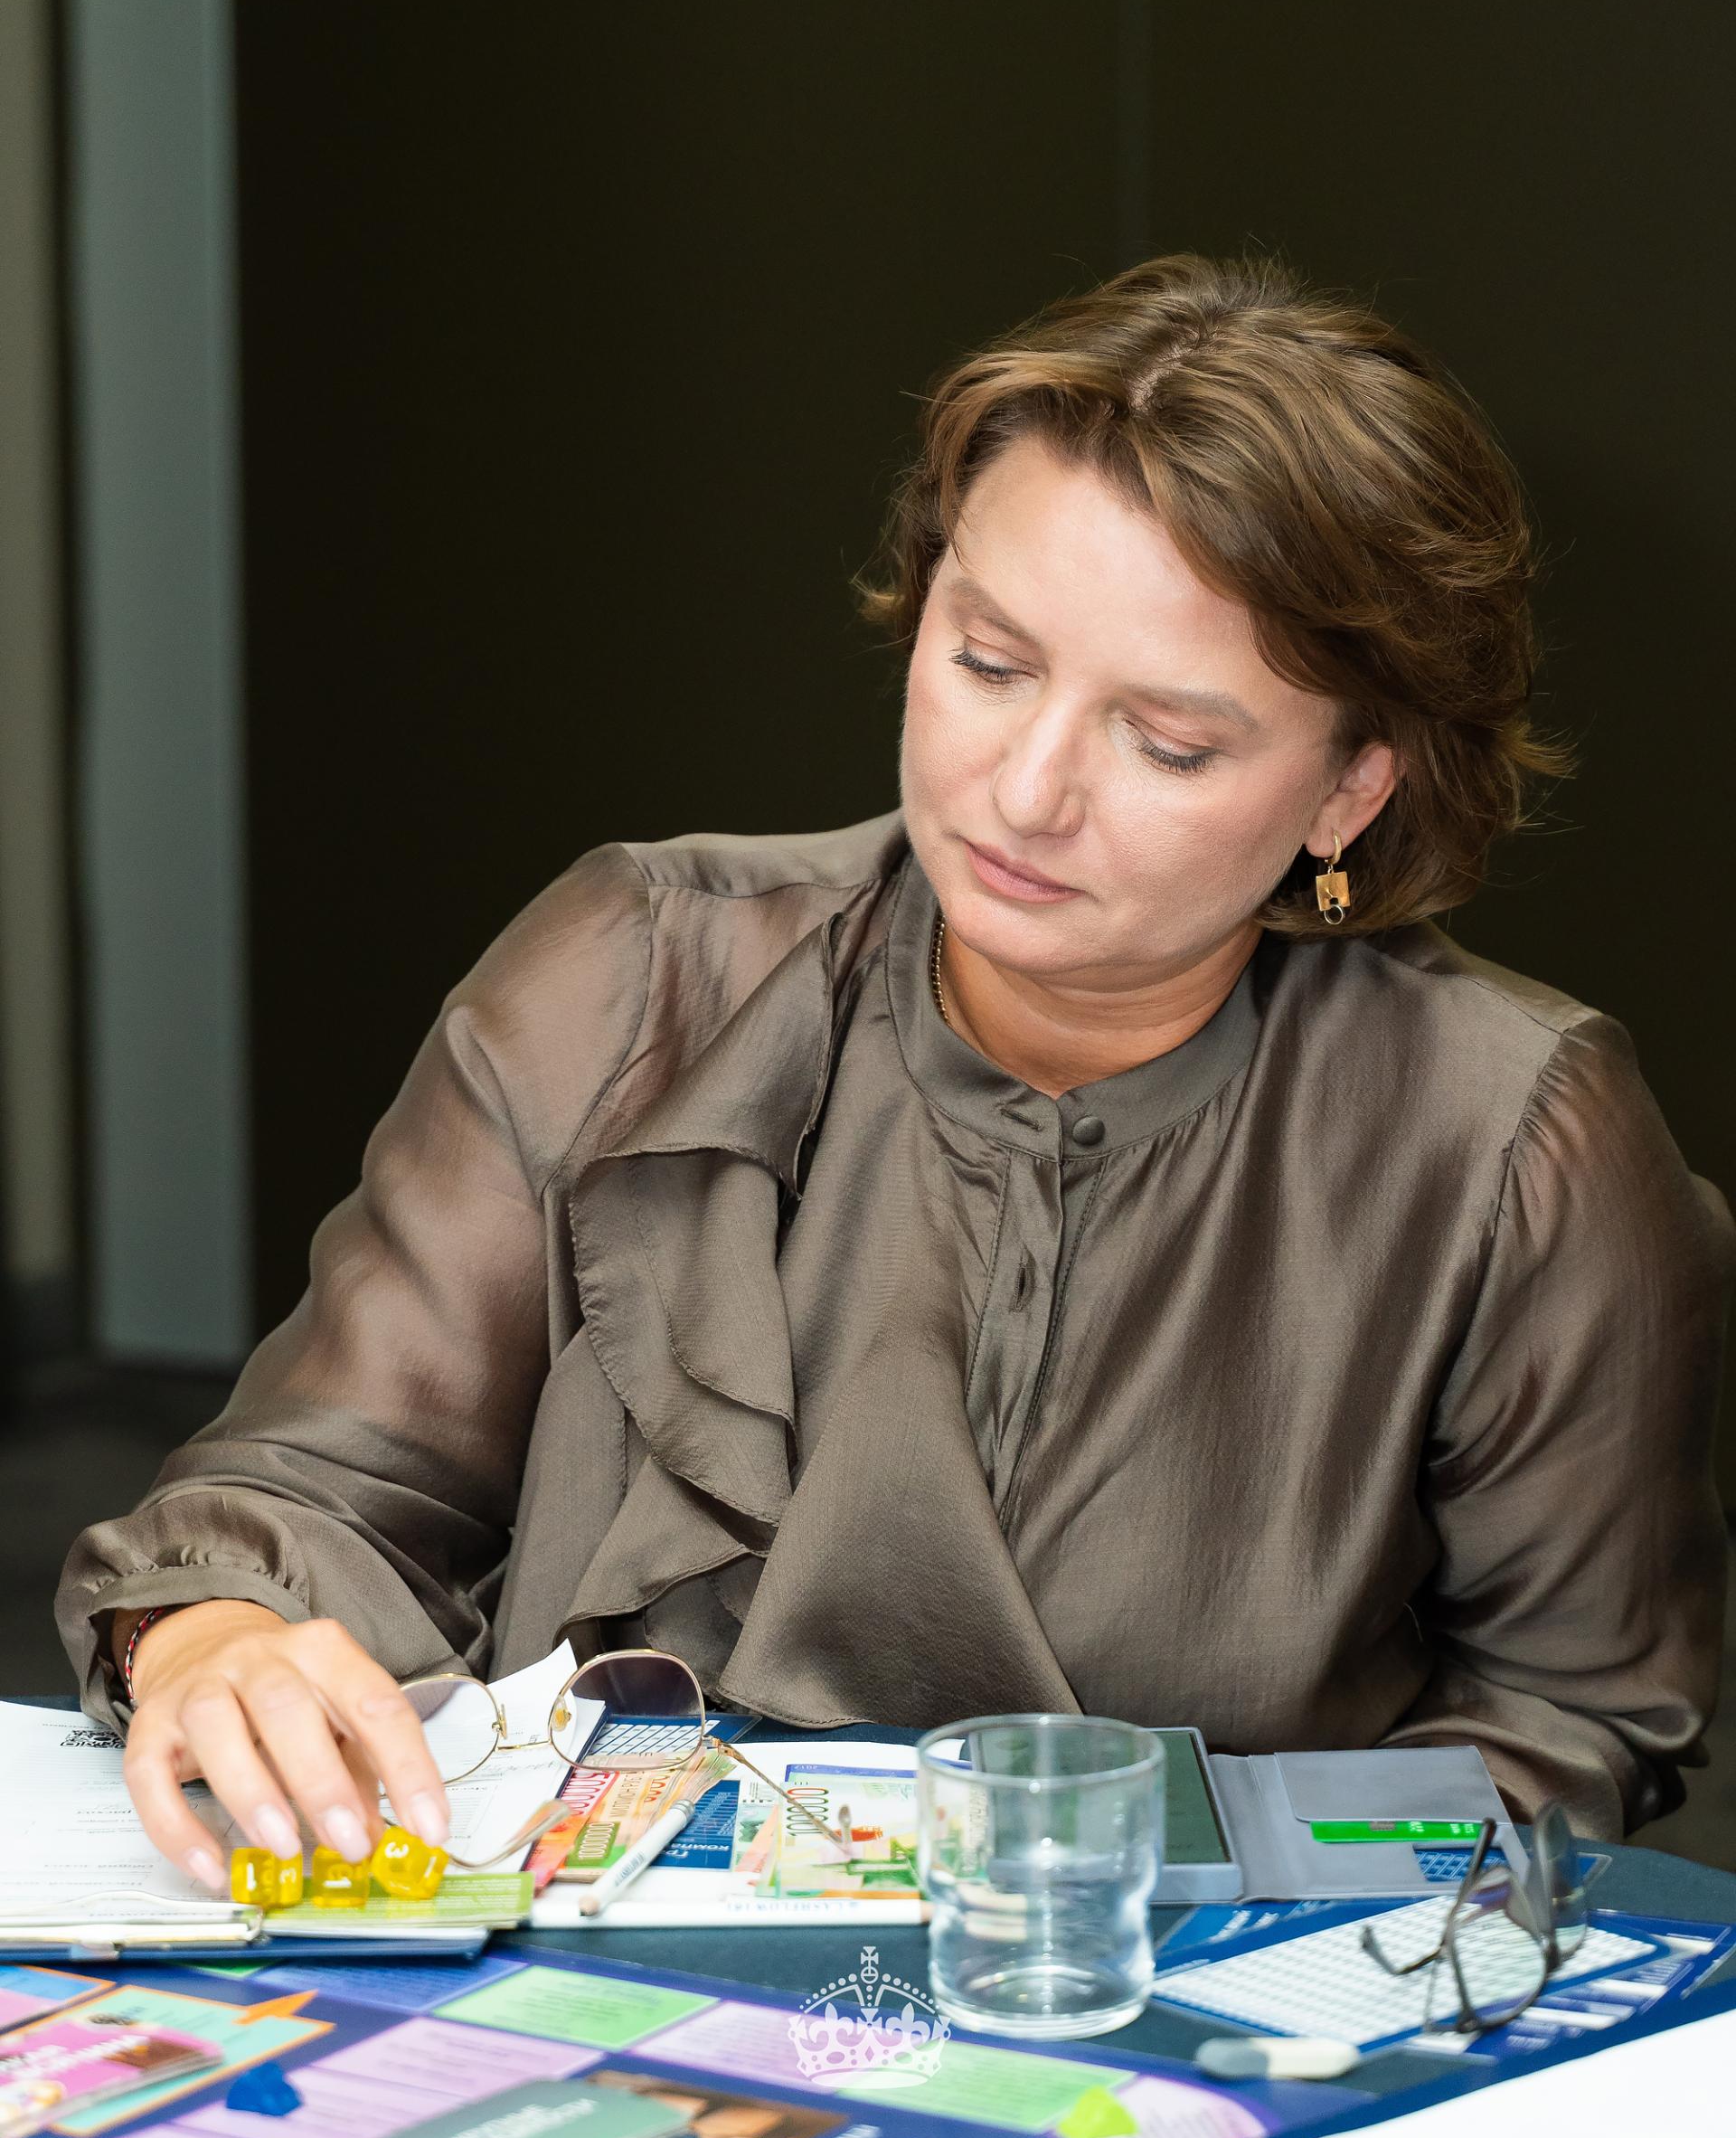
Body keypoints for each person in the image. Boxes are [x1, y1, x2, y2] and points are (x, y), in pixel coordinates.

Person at [60, 254, 1730, 1891]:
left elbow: (1570, 1720)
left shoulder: (1511, 1139)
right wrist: (212, 1633)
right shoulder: (633, 975)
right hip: (576, 1981)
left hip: (1145, 2003)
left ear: (1350, 792)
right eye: (989, 662)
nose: (1025, 791)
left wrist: (1205, 1893)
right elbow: (310, 1481)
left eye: (1166, 742)